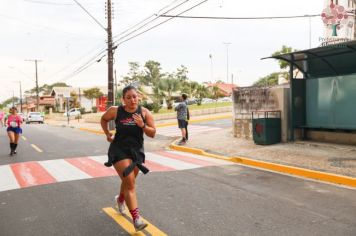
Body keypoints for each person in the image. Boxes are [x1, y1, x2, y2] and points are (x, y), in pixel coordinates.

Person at [101, 85, 156, 232]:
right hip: (119, 149)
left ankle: (120, 199)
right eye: (129, 97)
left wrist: (142, 125)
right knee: (130, 183)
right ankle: (136, 219)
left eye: (135, 96)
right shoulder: (116, 110)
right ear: (123, 99)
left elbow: (153, 133)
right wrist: (107, 134)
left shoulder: (144, 112)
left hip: (136, 152)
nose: (133, 100)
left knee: (128, 180)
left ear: (138, 96)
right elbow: (104, 119)